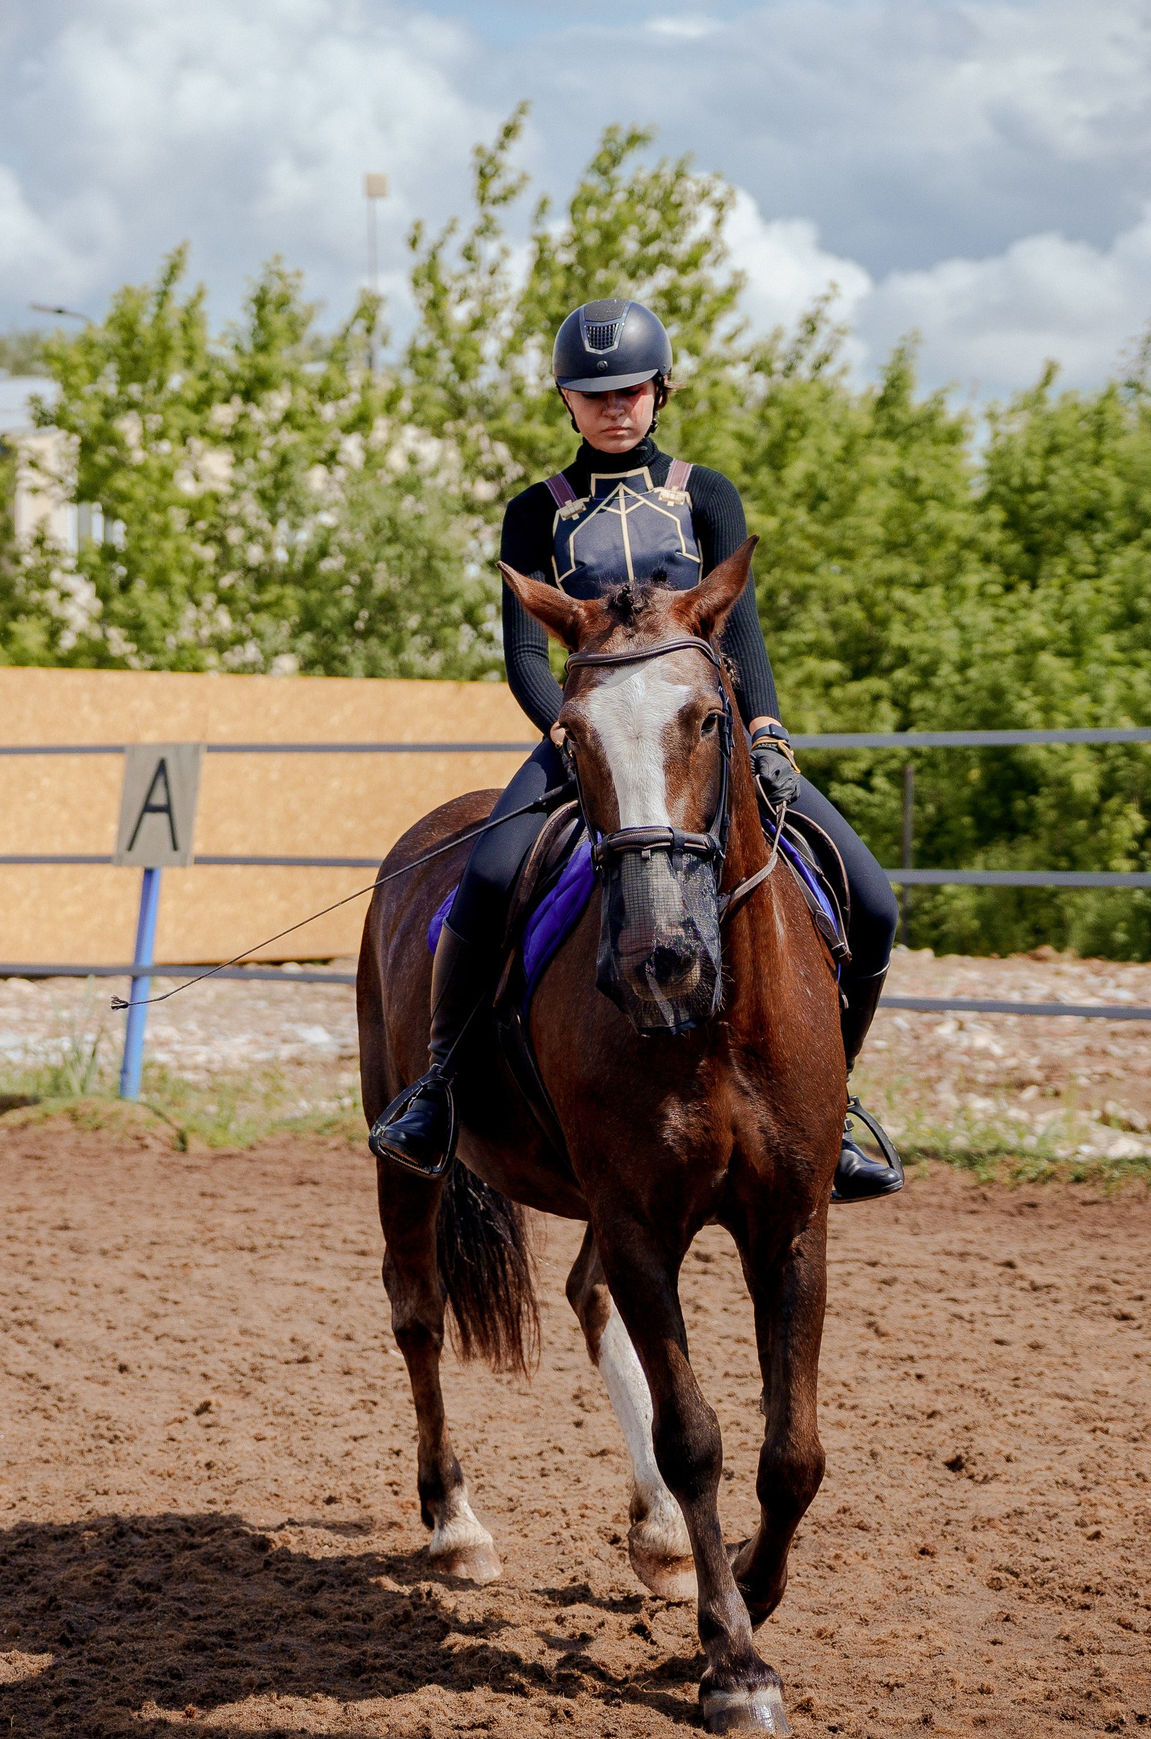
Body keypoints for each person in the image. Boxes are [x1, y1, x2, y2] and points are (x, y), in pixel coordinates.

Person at [369, 296, 904, 1201]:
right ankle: (437, 1093)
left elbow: (744, 635)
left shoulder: (707, 493)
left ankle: (832, 1107)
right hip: (587, 734)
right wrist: (576, 737)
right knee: (491, 880)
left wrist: (766, 732)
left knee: (876, 901)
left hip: (702, 739)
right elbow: (523, 656)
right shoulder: (534, 513)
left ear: (661, 388)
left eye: (630, 389)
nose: (614, 406)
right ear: (566, 402)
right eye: (593, 393)